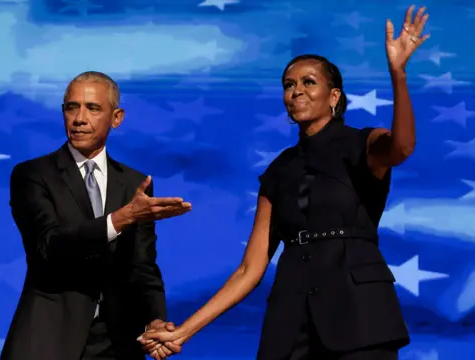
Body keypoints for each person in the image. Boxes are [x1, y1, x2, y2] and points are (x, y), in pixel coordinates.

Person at [138, 5, 429, 360]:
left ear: (334, 96)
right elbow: (250, 269)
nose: (296, 92)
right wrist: (184, 332)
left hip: (360, 316)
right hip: (291, 320)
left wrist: (398, 73)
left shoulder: (363, 143)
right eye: (289, 85)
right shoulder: (279, 170)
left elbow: (402, 147)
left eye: (309, 82)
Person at [1, 71, 189, 360]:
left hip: (117, 343)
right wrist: (121, 219)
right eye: (71, 107)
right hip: (48, 340)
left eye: (93, 108)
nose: (79, 118)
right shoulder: (33, 175)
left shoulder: (134, 184)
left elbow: (143, 266)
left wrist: (155, 320)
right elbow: (48, 245)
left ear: (117, 118)